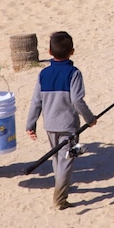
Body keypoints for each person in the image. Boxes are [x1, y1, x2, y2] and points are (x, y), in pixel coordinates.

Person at [26, 31, 96, 209]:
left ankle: (60, 188)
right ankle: (60, 198)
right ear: (72, 52)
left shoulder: (43, 74)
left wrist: (30, 124)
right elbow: (77, 100)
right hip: (68, 126)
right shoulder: (74, 73)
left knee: (57, 158)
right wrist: (89, 119)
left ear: (49, 51)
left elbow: (36, 101)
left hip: (50, 125)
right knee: (67, 159)